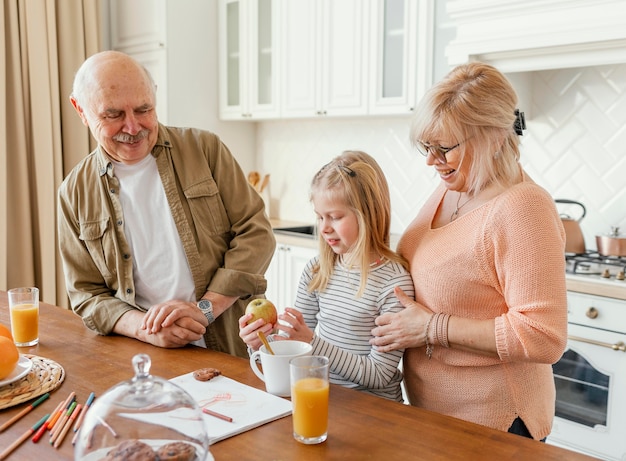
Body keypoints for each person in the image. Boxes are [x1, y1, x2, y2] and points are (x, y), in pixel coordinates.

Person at [370, 62, 568, 439]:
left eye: (444, 148)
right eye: (426, 147)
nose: (431, 160)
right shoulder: (453, 188)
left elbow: (544, 336)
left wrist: (430, 327)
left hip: (496, 422)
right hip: (436, 415)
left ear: (493, 136)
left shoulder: (522, 207)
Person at [57, 51, 275, 358]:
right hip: (145, 356)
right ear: (81, 110)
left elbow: (256, 233)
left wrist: (206, 309)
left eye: (144, 109)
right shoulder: (74, 191)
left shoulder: (205, 149)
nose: (133, 128)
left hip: (229, 347)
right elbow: (86, 294)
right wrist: (147, 329)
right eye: (113, 115)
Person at [239, 151, 415, 401]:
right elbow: (295, 350)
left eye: (335, 217)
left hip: (374, 410)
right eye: (319, 216)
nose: (324, 227)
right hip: (321, 397)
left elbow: (379, 375)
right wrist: (259, 344)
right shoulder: (317, 270)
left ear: (368, 214)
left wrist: (312, 341)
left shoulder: (393, 284)